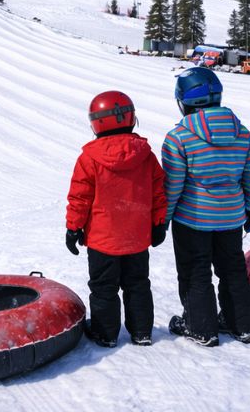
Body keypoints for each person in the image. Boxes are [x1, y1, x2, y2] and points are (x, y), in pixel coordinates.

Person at [161, 67, 250, 347]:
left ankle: (200, 328)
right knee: (232, 269)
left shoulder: (179, 138)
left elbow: (172, 186)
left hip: (192, 220)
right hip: (231, 218)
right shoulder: (242, 134)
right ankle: (239, 325)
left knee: (195, 272)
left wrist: (163, 219)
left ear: (184, 101)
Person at [65, 90, 168, 348]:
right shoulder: (146, 155)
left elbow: (80, 197)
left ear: (96, 122)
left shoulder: (89, 158)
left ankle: (106, 333)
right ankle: (142, 332)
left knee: (103, 287)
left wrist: (73, 228)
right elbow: (158, 192)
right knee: (138, 285)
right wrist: (158, 223)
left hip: (103, 240)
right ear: (131, 118)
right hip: (137, 238)